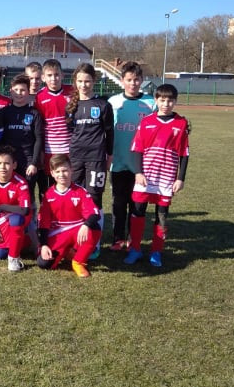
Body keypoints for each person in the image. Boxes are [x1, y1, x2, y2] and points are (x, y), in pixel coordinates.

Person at [124, 84, 190, 268]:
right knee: (137, 212)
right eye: (162, 100)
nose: (166, 104)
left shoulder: (181, 123)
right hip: (146, 177)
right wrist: (138, 172)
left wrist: (180, 178)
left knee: (161, 216)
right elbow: (137, 149)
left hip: (166, 178)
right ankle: (135, 249)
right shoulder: (146, 121)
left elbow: (184, 154)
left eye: (170, 100)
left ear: (175, 101)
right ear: (156, 100)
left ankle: (156, 251)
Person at [66, 63, 114, 258]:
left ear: (94, 81)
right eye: (80, 81)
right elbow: (71, 132)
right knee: (75, 198)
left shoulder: (103, 105)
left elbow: (110, 133)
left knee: (94, 199)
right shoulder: (71, 106)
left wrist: (109, 156)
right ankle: (77, 239)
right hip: (75, 158)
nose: (83, 85)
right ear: (75, 82)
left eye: (87, 81)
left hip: (96, 158)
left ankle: (95, 243)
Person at [107, 61, 156, 251]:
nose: (133, 83)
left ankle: (132, 240)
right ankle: (118, 238)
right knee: (118, 203)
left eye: (136, 80)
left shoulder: (151, 103)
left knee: (137, 204)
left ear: (142, 80)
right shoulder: (113, 102)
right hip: (118, 162)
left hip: (141, 165)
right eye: (129, 80)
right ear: (122, 81)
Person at [36, 154, 102, 278]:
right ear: (52, 173)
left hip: (77, 231)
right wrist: (44, 245)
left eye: (65, 170)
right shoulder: (48, 195)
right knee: (44, 263)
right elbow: (43, 223)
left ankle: (78, 262)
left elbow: (94, 213)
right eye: (58, 171)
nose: (62, 174)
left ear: (71, 170)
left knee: (94, 228)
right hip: (58, 234)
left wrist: (86, 225)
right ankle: (67, 251)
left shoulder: (80, 191)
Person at [1, 74, 44, 252]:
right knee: (9, 197)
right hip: (9, 164)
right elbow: (0, 139)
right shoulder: (4, 113)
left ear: (28, 92)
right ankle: (10, 233)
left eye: (23, 90)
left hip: (27, 163)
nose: (19, 93)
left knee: (27, 200)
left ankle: (31, 236)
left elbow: (39, 140)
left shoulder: (34, 114)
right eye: (16, 90)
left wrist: (34, 163)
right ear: (11, 91)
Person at [0, 145, 31, 271]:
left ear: (14, 165)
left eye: (7, 163)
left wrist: (3, 207)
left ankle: (13, 258)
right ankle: (27, 241)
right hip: (1, 217)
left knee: (16, 220)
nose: (3, 167)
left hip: (19, 215)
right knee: (0, 254)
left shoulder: (21, 183)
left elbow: (25, 210)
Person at [34, 58, 73, 196]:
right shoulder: (39, 97)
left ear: (62, 75)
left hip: (70, 149)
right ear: (43, 77)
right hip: (50, 150)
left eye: (56, 74)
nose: (53, 78)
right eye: (49, 75)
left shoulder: (72, 92)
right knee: (51, 187)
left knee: (70, 184)